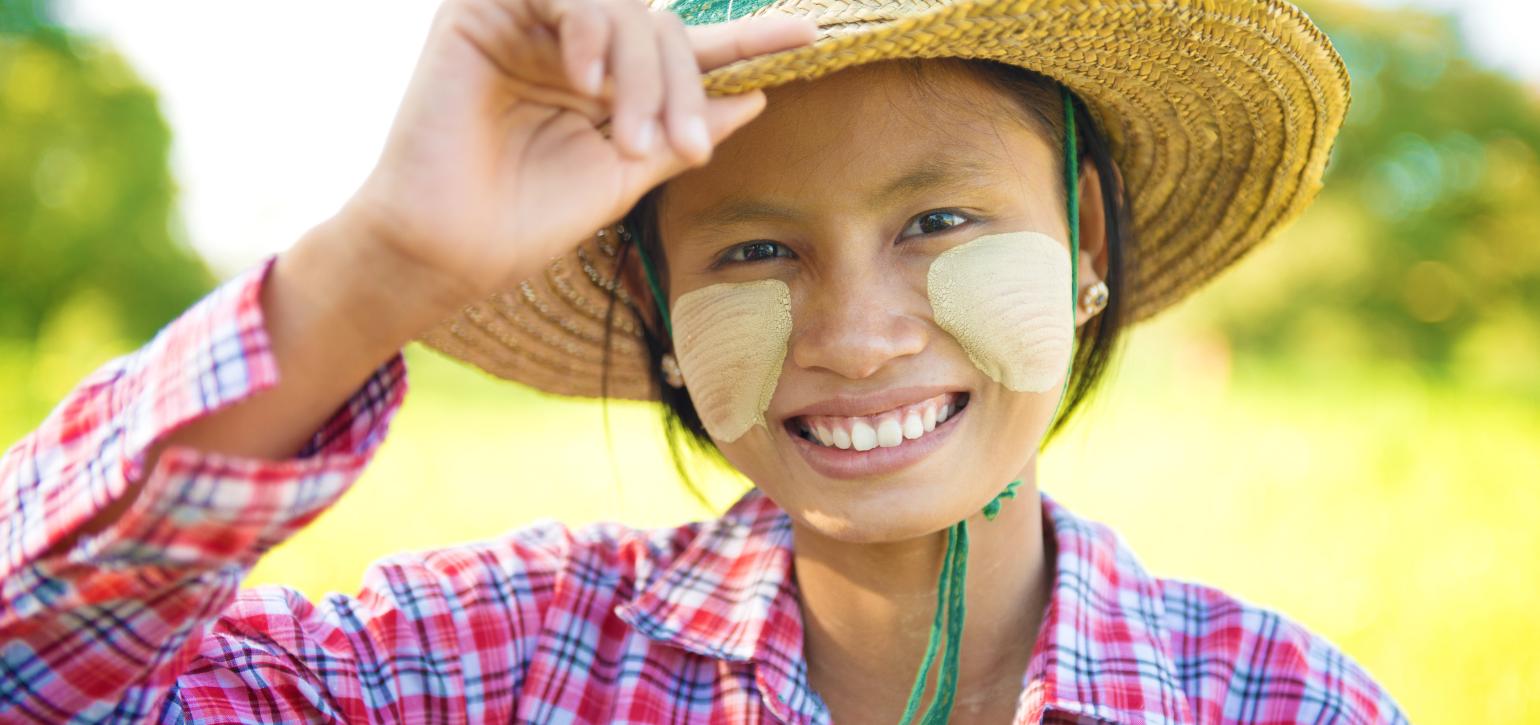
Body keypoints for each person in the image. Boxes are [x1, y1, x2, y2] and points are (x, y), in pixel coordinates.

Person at [0, 0, 1409, 722]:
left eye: (938, 220)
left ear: (1085, 237)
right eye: (754, 252)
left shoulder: (1283, 700)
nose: (859, 335)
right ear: (653, 297)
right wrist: (384, 263)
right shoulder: (506, 664)